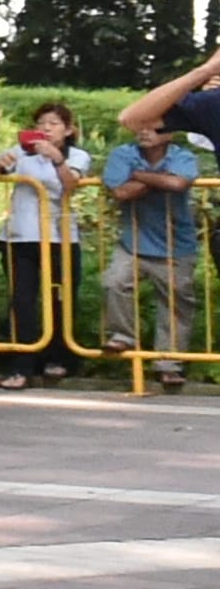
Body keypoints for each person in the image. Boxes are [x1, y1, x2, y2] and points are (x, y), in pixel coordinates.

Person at [101, 106, 204, 387]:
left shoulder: (182, 156)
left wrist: (140, 176)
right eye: (140, 126)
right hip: (132, 239)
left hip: (175, 242)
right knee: (114, 282)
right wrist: (161, 179)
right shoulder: (123, 153)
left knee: (175, 303)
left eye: (153, 126)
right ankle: (122, 336)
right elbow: (121, 191)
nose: (144, 131)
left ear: (169, 133)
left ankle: (168, 363)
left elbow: (180, 183)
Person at [0, 101, 79, 381]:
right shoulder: (21, 152)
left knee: (59, 300)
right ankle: (21, 366)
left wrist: (57, 158)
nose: (46, 129)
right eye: (41, 123)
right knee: (22, 302)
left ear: (68, 130)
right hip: (19, 237)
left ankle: (57, 359)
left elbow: (72, 184)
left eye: (53, 124)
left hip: (59, 238)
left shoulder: (76, 155)